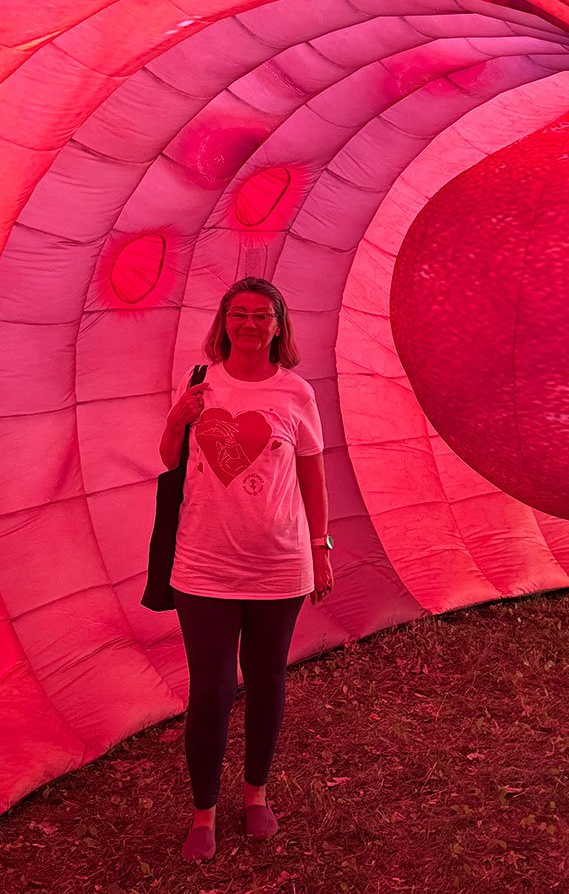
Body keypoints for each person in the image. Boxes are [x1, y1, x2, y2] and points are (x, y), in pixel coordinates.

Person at [159, 277, 333, 862]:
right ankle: (203, 813)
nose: (250, 324)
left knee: (266, 681)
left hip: (279, 564)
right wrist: (178, 418)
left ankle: (255, 794)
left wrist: (321, 548)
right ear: (224, 321)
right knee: (211, 691)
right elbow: (168, 459)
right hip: (203, 563)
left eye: (262, 315)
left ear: (279, 325)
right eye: (240, 314)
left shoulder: (296, 392)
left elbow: (312, 476)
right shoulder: (199, 382)